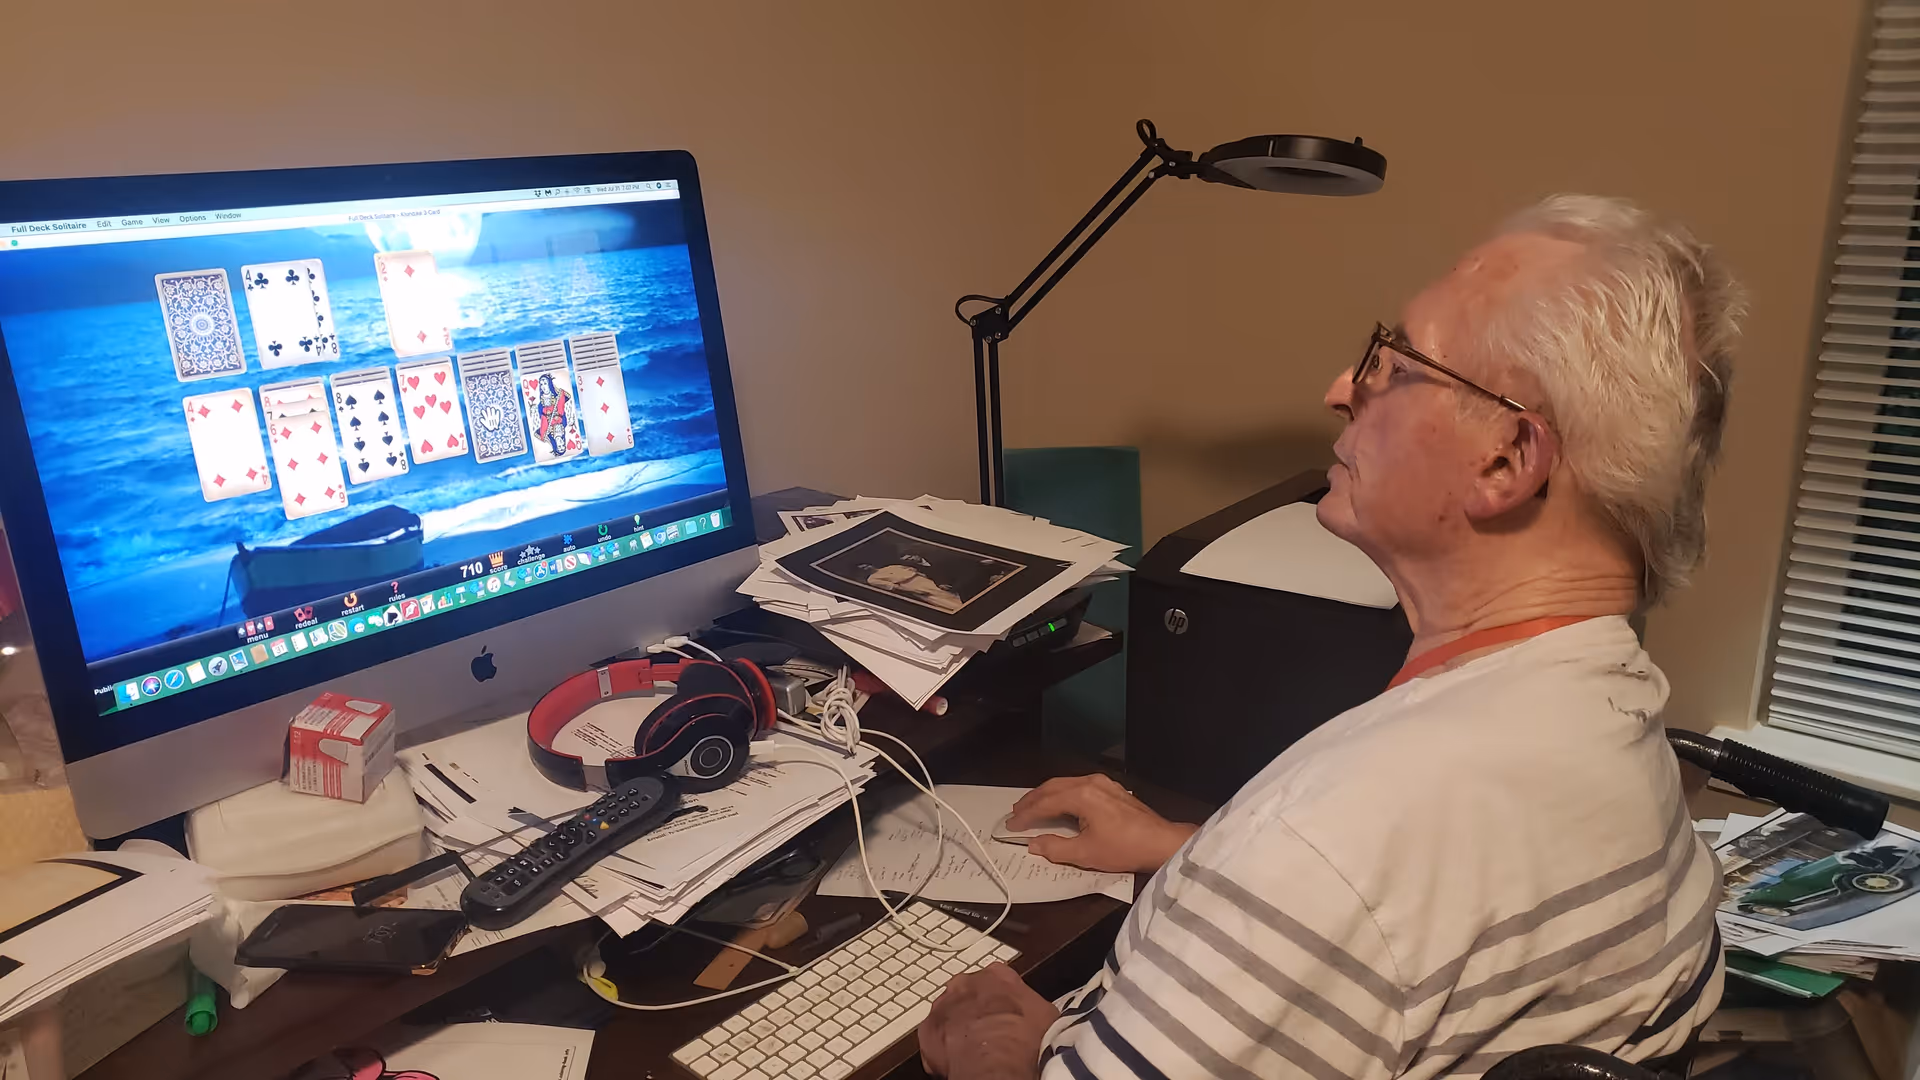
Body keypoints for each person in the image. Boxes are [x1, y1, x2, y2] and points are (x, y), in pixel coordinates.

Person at [918, 194, 1744, 1080]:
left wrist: (1013, 1062)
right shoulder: (1615, 715)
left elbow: (1344, 875)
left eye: (1395, 362)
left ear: (1506, 460)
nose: (1341, 390)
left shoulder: (1327, 846)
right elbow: (1417, 920)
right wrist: (1191, 854)